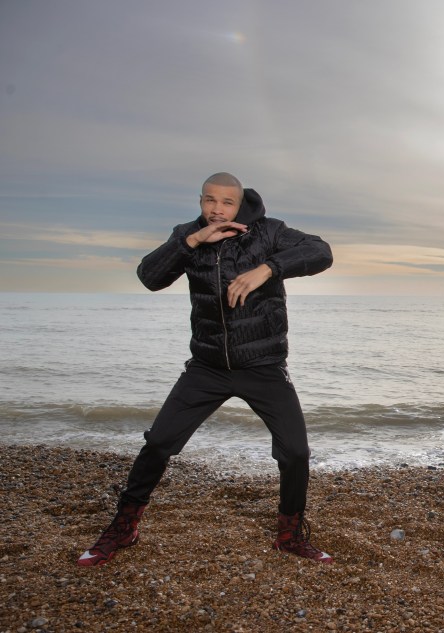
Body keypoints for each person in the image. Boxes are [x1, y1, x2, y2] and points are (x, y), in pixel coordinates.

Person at [78, 172, 335, 567]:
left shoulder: (269, 233)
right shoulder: (187, 235)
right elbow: (150, 277)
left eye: (227, 202)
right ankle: (124, 526)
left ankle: (290, 535)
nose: (217, 209)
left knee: (296, 453)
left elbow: (321, 252)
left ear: (240, 203)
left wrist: (268, 268)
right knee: (159, 443)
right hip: (207, 366)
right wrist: (192, 241)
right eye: (209, 201)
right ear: (200, 201)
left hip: (263, 366)